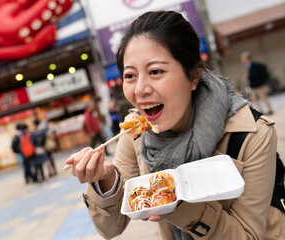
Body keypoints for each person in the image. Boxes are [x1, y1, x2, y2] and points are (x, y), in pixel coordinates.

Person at [66, 11, 284, 239]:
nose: (140, 89)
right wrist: (105, 180)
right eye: (130, 76)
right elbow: (110, 228)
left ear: (194, 76)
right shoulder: (135, 133)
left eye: (155, 72)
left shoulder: (252, 135)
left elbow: (249, 236)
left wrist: (174, 200)